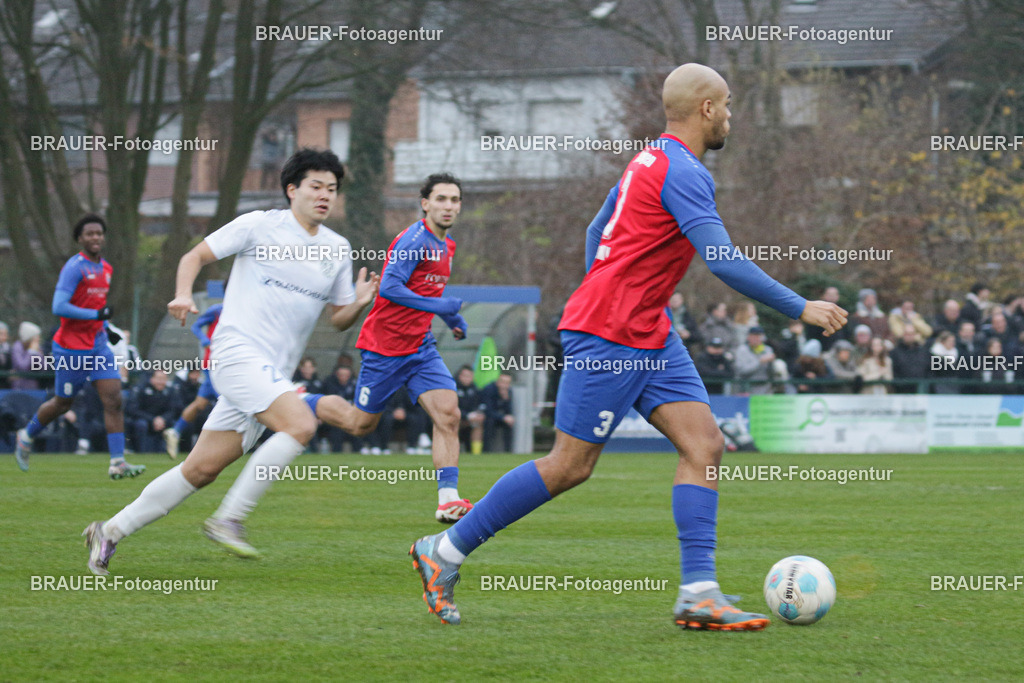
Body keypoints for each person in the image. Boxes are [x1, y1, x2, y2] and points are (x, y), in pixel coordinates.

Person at [408, 64, 847, 630]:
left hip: (649, 332)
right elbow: (722, 260)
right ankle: (442, 552)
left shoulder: (647, 160)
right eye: (729, 105)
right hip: (610, 334)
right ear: (707, 109)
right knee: (569, 466)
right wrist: (801, 307)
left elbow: (597, 231)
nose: (732, 115)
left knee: (705, 444)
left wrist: (622, 289)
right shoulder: (684, 171)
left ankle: (698, 593)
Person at [82, 148, 379, 573]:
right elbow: (194, 257)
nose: (325, 195)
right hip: (236, 354)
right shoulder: (259, 225)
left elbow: (338, 320)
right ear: (292, 189)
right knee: (301, 424)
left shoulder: (337, 248)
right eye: (316, 186)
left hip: (270, 375)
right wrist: (184, 293)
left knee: (200, 470)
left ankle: (108, 531)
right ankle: (229, 519)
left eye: (332, 189)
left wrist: (361, 302)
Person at [312, 172, 474, 523]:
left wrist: (450, 319)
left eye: (455, 199)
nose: (449, 206)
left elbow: (428, 294)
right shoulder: (414, 240)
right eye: (441, 199)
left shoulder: (448, 245)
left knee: (449, 413)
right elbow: (389, 288)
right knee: (360, 425)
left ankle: (448, 499)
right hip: (384, 349)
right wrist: (440, 308)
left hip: (421, 348)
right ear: (425, 204)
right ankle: (303, 399)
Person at [14, 215, 145, 478]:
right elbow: (59, 307)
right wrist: (97, 317)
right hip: (70, 349)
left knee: (114, 399)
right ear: (80, 239)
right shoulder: (74, 268)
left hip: (98, 346)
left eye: (99, 233)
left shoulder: (106, 268)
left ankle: (117, 462)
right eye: (89, 234)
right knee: (63, 403)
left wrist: (107, 329)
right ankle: (26, 435)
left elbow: (95, 308)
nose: (95, 237)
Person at [164, 303, 222, 459]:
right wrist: (204, 339)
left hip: (225, 363)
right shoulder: (217, 310)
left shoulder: (242, 310)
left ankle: (175, 431)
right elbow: (196, 326)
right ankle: (212, 444)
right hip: (214, 364)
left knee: (200, 403)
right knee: (226, 402)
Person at [127, 370, 181, 452]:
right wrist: (153, 419)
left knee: (176, 425)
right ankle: (141, 452)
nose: (161, 382)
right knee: (141, 424)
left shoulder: (170, 391)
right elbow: (133, 409)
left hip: (163, 422)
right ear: (152, 379)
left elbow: (173, 410)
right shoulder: (141, 389)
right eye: (158, 378)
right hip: (145, 420)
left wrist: (163, 419)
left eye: (163, 379)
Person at [480, 373, 514, 452]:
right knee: (489, 422)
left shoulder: (508, 392)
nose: (505, 385)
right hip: (489, 416)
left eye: (507, 383)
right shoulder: (489, 389)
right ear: (498, 382)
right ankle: (486, 451)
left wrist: (505, 399)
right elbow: (488, 410)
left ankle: (508, 451)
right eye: (503, 382)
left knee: (509, 423)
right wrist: (503, 417)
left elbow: (508, 411)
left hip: (500, 417)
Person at [454, 365, 484, 454]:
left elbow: (479, 405)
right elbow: (452, 408)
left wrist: (477, 414)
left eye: (470, 376)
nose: (467, 379)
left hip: (470, 419)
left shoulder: (474, 388)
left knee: (478, 424)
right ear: (460, 376)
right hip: (457, 418)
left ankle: (476, 454)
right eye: (465, 376)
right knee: (454, 423)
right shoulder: (453, 388)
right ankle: (453, 451)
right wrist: (466, 416)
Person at [10, 322, 44, 391]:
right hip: (19, 387)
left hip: (34, 387)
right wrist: (31, 352)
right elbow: (23, 366)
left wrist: (38, 354)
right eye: (36, 336)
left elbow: (44, 367)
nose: (38, 339)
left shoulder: (37, 348)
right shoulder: (17, 346)